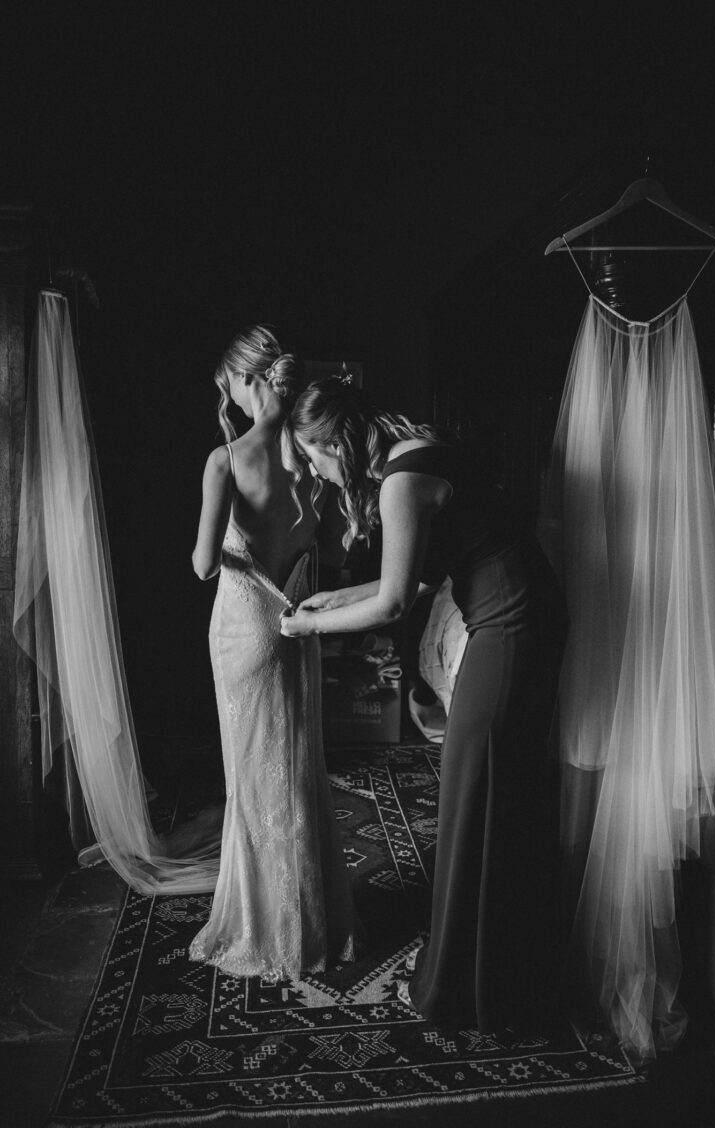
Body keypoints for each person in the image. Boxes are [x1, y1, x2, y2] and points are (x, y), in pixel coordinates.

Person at [281, 374, 566, 1031]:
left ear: (336, 444)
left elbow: (395, 601)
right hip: (506, 616)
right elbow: (417, 576)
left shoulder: (402, 479)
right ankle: (504, 967)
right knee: (495, 789)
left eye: (313, 458)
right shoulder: (410, 458)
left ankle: (470, 983)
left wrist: (307, 627)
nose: (316, 475)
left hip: (511, 623)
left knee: (476, 787)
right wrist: (331, 601)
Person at [190, 327, 354, 981]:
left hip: (241, 626)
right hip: (294, 625)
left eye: (227, 382)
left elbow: (203, 565)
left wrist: (235, 548)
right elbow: (333, 553)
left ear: (248, 378)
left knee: (253, 780)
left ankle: (266, 929)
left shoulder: (227, 460)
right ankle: (312, 925)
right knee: (297, 769)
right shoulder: (313, 458)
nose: (224, 394)